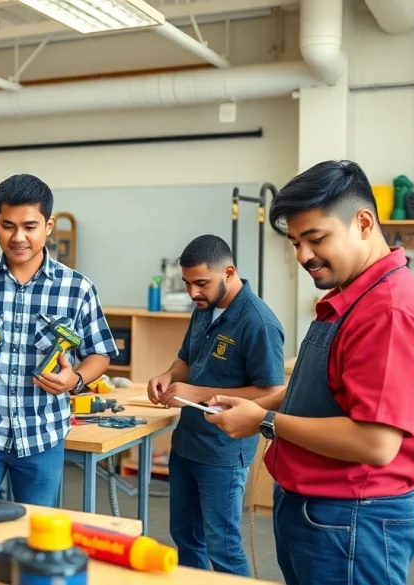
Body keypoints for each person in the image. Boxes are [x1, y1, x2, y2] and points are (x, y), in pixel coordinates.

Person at [204, 160, 414, 585]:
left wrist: (263, 420)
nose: (303, 256)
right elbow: (325, 386)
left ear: (363, 222)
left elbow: (375, 443)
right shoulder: (350, 295)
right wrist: (257, 404)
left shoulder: (389, 312)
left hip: (353, 518)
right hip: (319, 511)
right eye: (295, 242)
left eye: (315, 239)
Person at [0, 174, 118, 507]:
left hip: (42, 437)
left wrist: (74, 380)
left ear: (48, 225)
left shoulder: (77, 289)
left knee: (37, 534)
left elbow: (100, 354)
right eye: (8, 226)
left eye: (30, 227)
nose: (18, 237)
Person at [146, 235, 285, 576]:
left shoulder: (258, 322)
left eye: (201, 283)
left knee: (222, 545)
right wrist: (166, 375)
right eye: (188, 283)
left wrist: (198, 392)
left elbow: (272, 390)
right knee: (184, 537)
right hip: (187, 444)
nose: (193, 293)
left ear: (229, 272)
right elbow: (185, 360)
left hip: (223, 452)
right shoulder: (204, 308)